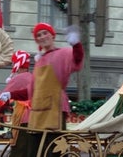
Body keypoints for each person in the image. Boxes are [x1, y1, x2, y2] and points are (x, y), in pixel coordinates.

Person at [10, 23, 84, 157]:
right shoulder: (39, 61)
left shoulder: (63, 53)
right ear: (37, 40)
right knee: (35, 151)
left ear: (52, 35)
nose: (42, 37)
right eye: (39, 35)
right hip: (37, 113)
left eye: (45, 33)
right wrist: (10, 94)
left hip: (54, 110)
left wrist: (76, 44)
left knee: (53, 150)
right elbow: (31, 90)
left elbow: (77, 60)